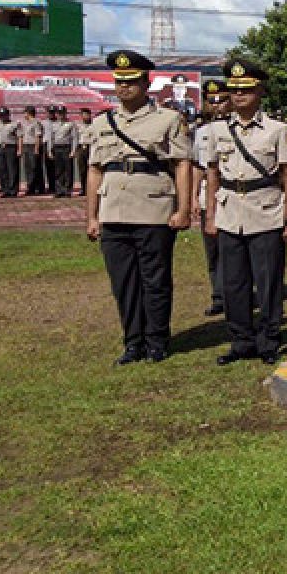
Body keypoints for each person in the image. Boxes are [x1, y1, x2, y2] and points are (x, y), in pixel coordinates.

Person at [84, 50, 192, 364]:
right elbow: (94, 170)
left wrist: (183, 208)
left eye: (131, 82)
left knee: (155, 280)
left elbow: (182, 164)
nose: (124, 88)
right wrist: (91, 215)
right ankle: (133, 342)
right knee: (124, 283)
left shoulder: (169, 119)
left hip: (153, 210)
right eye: (119, 82)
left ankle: (157, 340)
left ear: (146, 83)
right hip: (114, 210)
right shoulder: (103, 122)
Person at [204, 58, 287, 365]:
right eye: (234, 90)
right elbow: (213, 174)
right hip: (230, 212)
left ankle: (269, 339)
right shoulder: (218, 130)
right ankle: (241, 340)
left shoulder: (277, 130)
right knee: (233, 282)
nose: (238, 96)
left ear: (259, 91)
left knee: (268, 280)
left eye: (246, 89)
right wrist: (210, 216)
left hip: (266, 211)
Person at [191, 78, 230, 316]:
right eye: (212, 100)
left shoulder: (236, 128)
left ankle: (236, 293)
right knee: (213, 250)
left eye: (222, 100)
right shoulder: (202, 132)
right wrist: (194, 197)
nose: (217, 105)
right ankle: (218, 296)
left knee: (232, 250)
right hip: (209, 195)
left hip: (233, 192)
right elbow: (197, 165)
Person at [0, 107, 21, 197]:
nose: (2, 117)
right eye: (0, 115)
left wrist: (19, 149)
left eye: (4, 115)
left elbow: (19, 137)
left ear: (8, 115)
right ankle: (5, 190)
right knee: (2, 169)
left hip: (11, 147)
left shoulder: (14, 124)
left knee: (12, 169)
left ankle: (13, 190)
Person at [50, 106, 77, 197]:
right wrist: (50, 151)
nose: (60, 115)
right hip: (57, 148)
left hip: (67, 148)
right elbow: (51, 139)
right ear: (56, 114)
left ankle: (67, 190)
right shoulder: (53, 124)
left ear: (65, 113)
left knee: (68, 170)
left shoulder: (71, 124)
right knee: (58, 171)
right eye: (59, 113)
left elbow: (74, 138)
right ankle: (59, 190)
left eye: (62, 113)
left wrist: (73, 150)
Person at [20, 106, 43, 195]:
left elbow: (38, 136)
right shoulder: (24, 123)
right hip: (26, 146)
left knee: (34, 168)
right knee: (28, 168)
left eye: (25, 112)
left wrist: (36, 148)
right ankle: (31, 187)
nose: (24, 114)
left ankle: (36, 188)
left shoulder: (36, 123)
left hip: (33, 146)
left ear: (29, 113)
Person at [74, 108, 94, 196]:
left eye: (87, 114)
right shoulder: (78, 125)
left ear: (90, 115)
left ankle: (91, 188)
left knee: (92, 169)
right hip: (81, 148)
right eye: (83, 115)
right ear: (81, 116)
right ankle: (83, 189)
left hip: (91, 147)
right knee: (82, 170)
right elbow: (75, 138)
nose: (85, 116)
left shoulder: (94, 125)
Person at [42, 105, 58, 195]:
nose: (51, 114)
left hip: (57, 145)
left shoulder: (58, 122)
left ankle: (58, 186)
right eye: (49, 112)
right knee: (49, 166)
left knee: (58, 167)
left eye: (53, 112)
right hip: (46, 144)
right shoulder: (43, 123)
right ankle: (51, 186)